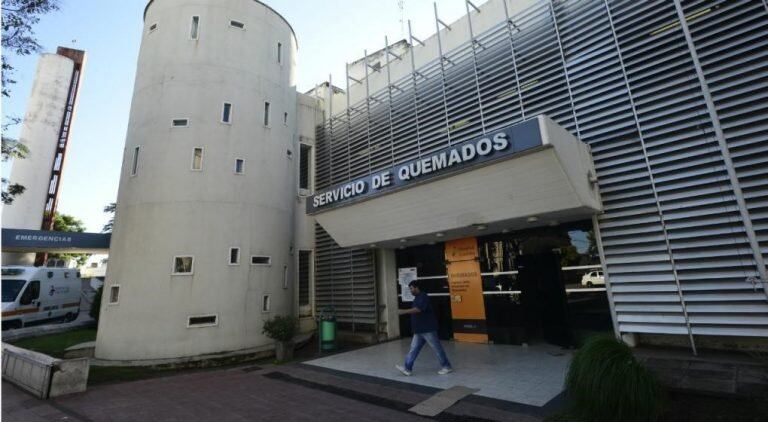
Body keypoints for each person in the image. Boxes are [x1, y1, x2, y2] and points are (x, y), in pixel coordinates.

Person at [395, 280, 453, 376]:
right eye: (410, 289)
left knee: (436, 348)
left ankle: (447, 366)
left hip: (427, 329)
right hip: (419, 330)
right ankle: (407, 368)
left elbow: (418, 309)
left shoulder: (423, 297)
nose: (410, 290)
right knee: (413, 349)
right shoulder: (417, 298)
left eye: (411, 288)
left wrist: (403, 311)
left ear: (417, 288)